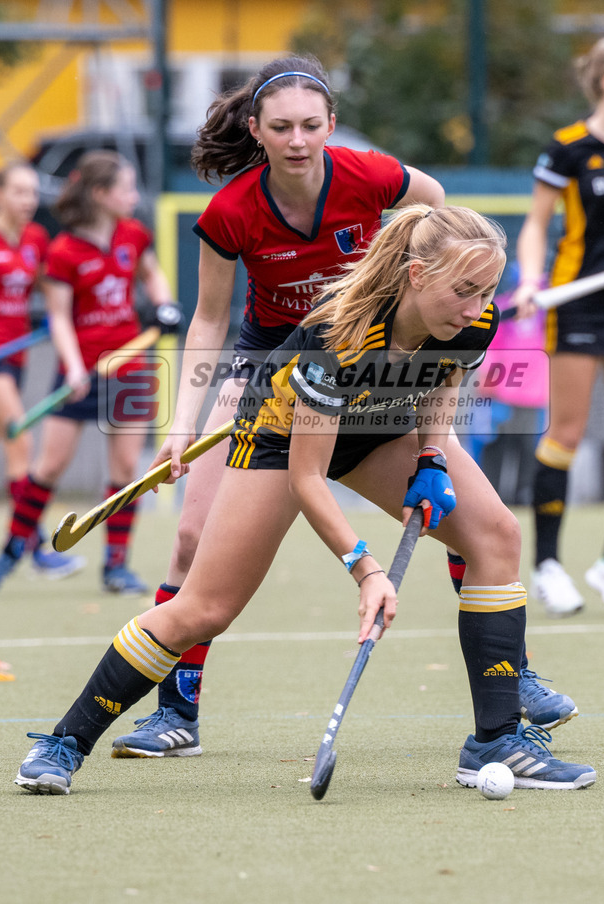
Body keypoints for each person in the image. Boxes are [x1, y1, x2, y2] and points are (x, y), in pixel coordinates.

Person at [13, 203, 597, 795]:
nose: (476, 307)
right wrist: (366, 568)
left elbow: (442, 380)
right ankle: (64, 742)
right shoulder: (336, 337)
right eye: (463, 290)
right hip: (283, 438)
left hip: (383, 425)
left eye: (487, 290)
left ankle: (496, 741)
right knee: (205, 608)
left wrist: (432, 456)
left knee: (496, 534)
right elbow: (308, 478)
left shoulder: (476, 320)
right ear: (417, 275)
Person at [105, 53, 448, 756]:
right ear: (256, 129)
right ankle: (176, 712)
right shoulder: (232, 211)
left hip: (367, 370)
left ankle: (513, 684)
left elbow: (437, 206)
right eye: (283, 126)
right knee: (193, 537)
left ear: (331, 126)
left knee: (466, 513)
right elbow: (207, 321)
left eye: (311, 125)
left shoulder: (372, 176)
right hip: (268, 375)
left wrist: (406, 280)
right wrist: (181, 426)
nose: (298, 140)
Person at [511, 35, 604, 616]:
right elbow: (535, 225)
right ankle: (548, 565)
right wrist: (529, 280)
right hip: (577, 304)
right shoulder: (569, 149)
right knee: (567, 434)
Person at [0, 150, 182, 595]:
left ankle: (115, 566)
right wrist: (74, 369)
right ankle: (13, 552)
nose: (134, 196)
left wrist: (165, 305)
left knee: (127, 466)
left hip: (130, 365)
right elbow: (59, 317)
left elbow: (153, 276)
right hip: (83, 371)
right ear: (100, 194)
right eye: (126, 188)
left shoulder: (134, 235)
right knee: (49, 464)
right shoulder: (64, 251)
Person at [0, 163, 84, 582]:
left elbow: (50, 285)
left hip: (15, 355)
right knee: (19, 438)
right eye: (19, 192)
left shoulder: (36, 239)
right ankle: (35, 547)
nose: (28, 201)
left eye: (31, 193)